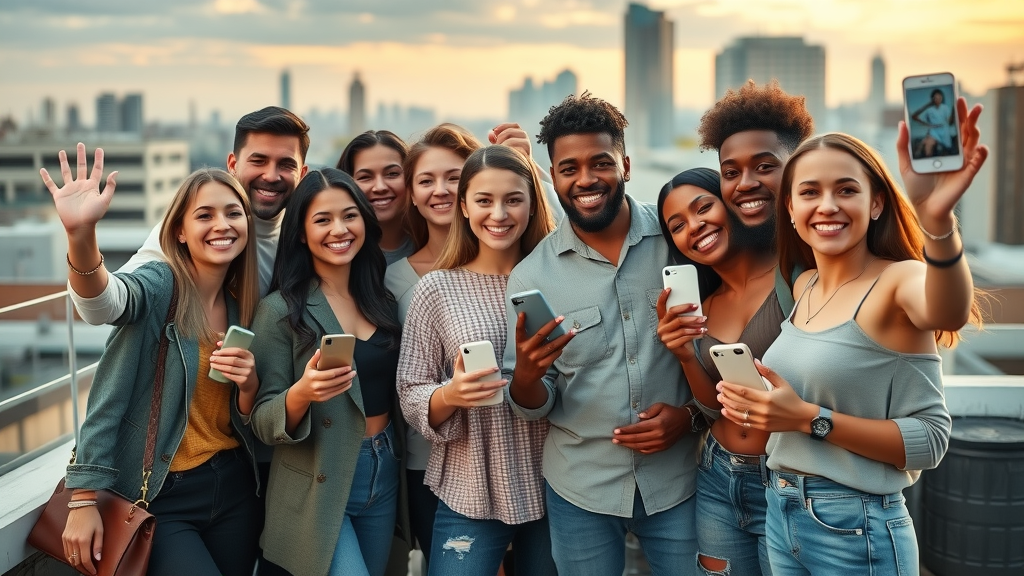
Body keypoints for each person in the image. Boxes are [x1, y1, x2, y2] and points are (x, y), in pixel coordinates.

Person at [716, 98, 987, 575]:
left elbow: (930, 436)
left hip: (855, 525)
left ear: (876, 202)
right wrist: (759, 404)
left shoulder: (898, 281)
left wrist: (938, 222)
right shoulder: (803, 286)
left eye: (846, 190)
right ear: (791, 209)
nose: (827, 206)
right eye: (810, 193)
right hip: (782, 509)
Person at [502, 92, 702, 576]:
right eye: (568, 168)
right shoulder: (531, 277)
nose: (586, 179)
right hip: (580, 489)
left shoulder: (680, 244)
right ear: (552, 175)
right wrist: (527, 376)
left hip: (680, 481)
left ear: (626, 165)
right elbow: (530, 402)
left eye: (600, 163)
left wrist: (690, 417)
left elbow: (721, 349)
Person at [44, 145, 262, 576]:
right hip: (163, 494)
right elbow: (109, 301)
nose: (222, 225)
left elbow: (239, 419)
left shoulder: (244, 305)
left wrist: (249, 387)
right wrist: (80, 234)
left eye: (233, 213)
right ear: (178, 231)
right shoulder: (161, 285)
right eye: (204, 215)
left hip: (235, 489)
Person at [397, 145, 557, 576]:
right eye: (485, 200)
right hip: (470, 487)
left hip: (558, 485)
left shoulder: (558, 279)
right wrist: (450, 393)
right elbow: (410, 392)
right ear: (463, 206)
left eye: (513, 199)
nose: (499, 214)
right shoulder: (437, 288)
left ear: (532, 203)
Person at [249, 168, 404, 576]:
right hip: (321, 476)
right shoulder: (280, 311)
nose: (340, 229)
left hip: (384, 466)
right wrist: (303, 392)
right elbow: (262, 422)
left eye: (349, 216)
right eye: (322, 220)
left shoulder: (383, 299)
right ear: (301, 233)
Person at [656, 167, 780, 576]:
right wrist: (685, 354)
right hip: (718, 477)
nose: (695, 227)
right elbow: (713, 410)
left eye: (703, 207)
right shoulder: (704, 306)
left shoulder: (794, 278)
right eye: (677, 225)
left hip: (786, 478)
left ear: (729, 202)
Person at [337, 130, 416, 264]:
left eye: (392, 174)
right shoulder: (339, 253)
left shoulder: (436, 246)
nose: (380, 187)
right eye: (365, 177)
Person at [911, 89, 955, 158]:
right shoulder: (929, 110)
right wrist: (928, 105)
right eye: (935, 98)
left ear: (942, 98)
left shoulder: (945, 108)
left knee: (926, 142)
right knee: (928, 143)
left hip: (944, 133)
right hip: (933, 133)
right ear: (932, 99)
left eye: (939, 97)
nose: (938, 99)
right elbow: (914, 116)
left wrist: (953, 111)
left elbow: (950, 123)